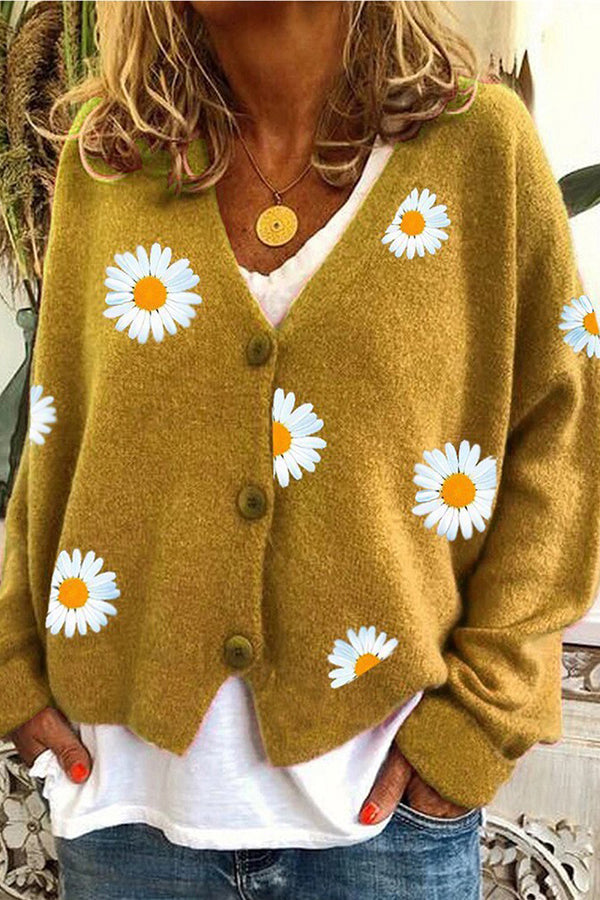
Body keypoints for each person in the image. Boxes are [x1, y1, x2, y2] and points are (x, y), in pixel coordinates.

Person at [1, 2, 599, 898]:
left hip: (383, 829)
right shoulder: (111, 160)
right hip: (129, 816)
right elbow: (56, 432)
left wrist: (478, 722)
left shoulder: (480, 151)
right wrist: (13, 666)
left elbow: (563, 437)